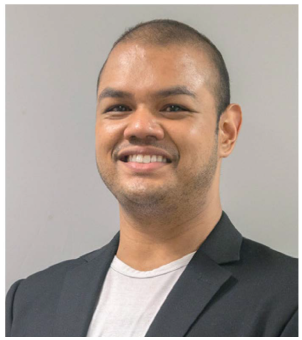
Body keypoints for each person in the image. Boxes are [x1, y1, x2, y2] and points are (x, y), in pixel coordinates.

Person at [6, 19, 297, 337]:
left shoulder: (289, 299)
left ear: (226, 131)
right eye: (118, 107)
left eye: (173, 107)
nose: (140, 127)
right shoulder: (27, 301)